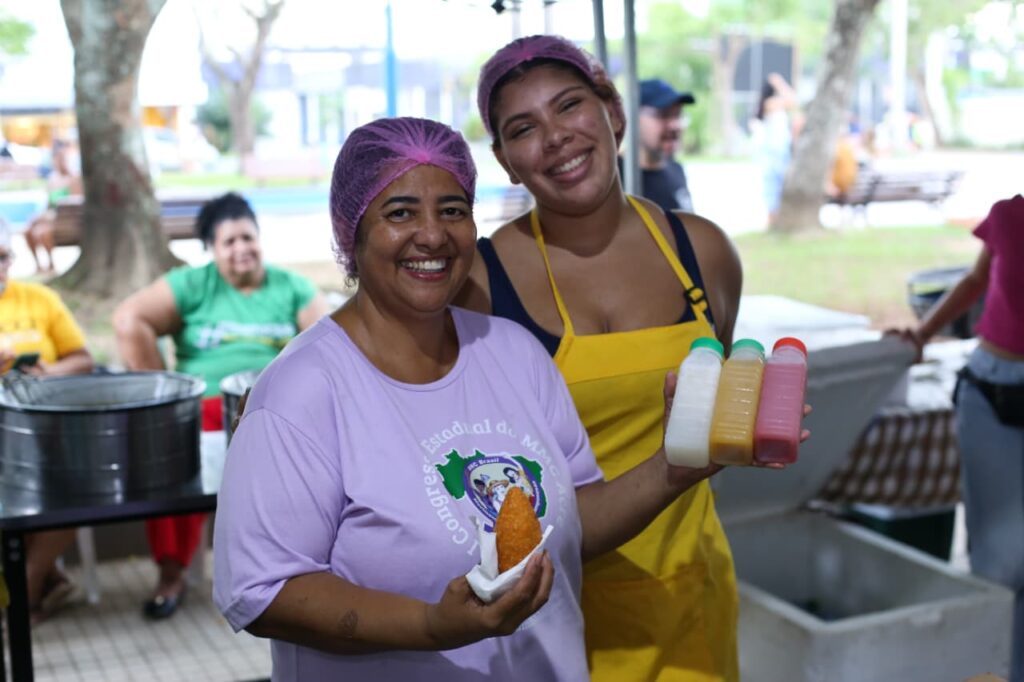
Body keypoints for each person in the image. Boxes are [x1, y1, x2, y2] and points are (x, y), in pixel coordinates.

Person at [212, 117, 763, 681]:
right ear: (351, 230)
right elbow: (264, 589)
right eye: (400, 213)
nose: (432, 235)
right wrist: (431, 626)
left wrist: (672, 468)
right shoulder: (303, 391)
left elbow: (570, 523)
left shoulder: (514, 352)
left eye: (452, 210)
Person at [456, 34, 759, 681]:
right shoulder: (479, 284)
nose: (556, 137)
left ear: (613, 112)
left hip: (688, 599)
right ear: (505, 161)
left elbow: (714, 416)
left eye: (569, 105)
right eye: (523, 128)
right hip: (547, 609)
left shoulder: (703, 252)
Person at [112, 192, 328, 620]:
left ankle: (295, 570)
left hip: (273, 411)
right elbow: (128, 319)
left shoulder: (291, 287)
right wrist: (165, 395)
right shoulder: (193, 284)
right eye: (229, 242)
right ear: (211, 249)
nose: (241, 248)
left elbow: (330, 342)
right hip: (204, 410)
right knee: (170, 455)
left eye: (248, 237)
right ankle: (171, 573)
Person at [896, 195, 1024, 682]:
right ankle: (986, 668)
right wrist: (922, 334)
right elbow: (975, 281)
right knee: (999, 563)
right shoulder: (1011, 214)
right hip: (992, 391)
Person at [0, 219, 95, 623]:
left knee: (75, 481)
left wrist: (47, 372)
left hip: (43, 429)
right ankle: (45, 582)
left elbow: (83, 360)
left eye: (3, 257)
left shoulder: (40, 299)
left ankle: (26, 587)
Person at [636, 78, 697, 213]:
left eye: (678, 115)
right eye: (663, 115)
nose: (675, 125)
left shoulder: (676, 169)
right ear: (633, 118)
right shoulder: (615, 179)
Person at [750, 73, 800, 226]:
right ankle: (772, 222)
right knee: (773, 190)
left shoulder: (773, 105)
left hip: (779, 152)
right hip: (773, 154)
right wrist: (779, 82)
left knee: (778, 189)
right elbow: (793, 100)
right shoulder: (770, 103)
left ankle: (776, 221)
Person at [24, 140, 79, 274]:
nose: (61, 162)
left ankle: (51, 264)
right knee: (28, 230)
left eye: (63, 159)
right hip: (51, 218)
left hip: (66, 222)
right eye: (58, 159)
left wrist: (51, 216)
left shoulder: (73, 179)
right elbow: (48, 205)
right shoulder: (52, 180)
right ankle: (39, 266)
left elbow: (75, 205)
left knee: (42, 232)